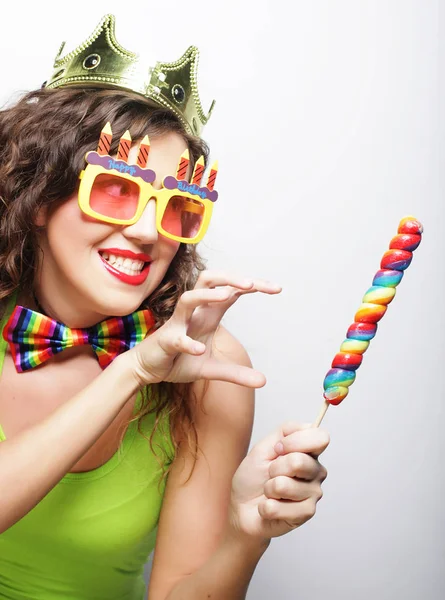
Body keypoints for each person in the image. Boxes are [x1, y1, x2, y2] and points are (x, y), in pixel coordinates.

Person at [0, 14, 330, 600]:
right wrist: (134, 369)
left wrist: (244, 534)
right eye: (117, 190)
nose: (151, 230)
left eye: (177, 205)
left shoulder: (209, 368)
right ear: (39, 197)